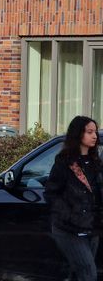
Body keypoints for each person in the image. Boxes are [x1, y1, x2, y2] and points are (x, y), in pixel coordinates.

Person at [45, 115, 103, 281]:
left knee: (78, 273)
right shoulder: (65, 163)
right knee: (88, 273)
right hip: (69, 230)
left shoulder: (95, 163)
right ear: (78, 134)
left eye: (95, 132)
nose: (94, 136)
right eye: (89, 132)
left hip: (92, 228)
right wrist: (69, 215)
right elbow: (51, 193)